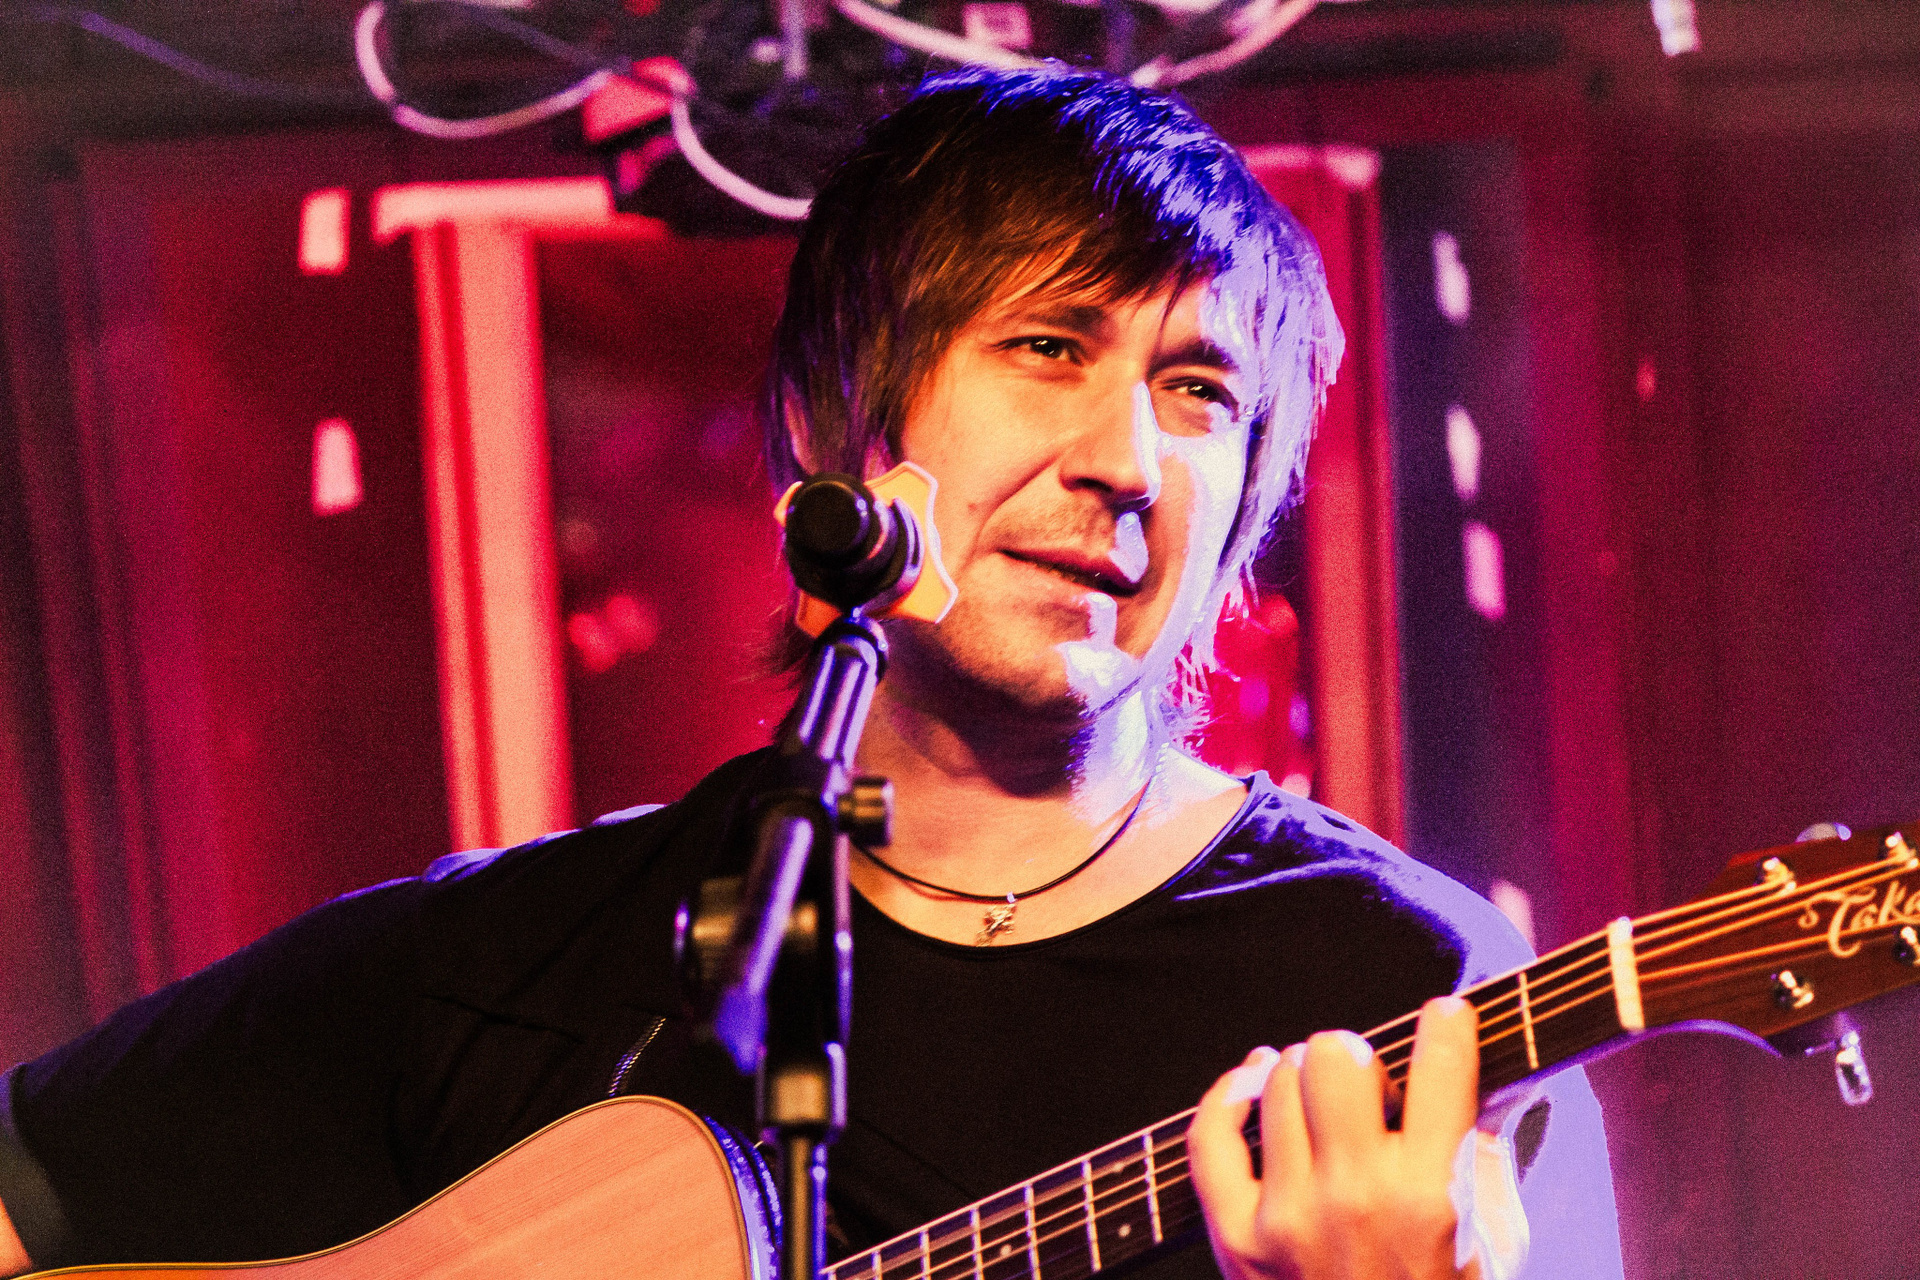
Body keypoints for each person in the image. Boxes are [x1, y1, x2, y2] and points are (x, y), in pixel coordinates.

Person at [0, 65, 1621, 1280]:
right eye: (1049, 345)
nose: (1130, 460)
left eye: (1201, 391)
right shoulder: (514, 961)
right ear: (832, 432)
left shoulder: (1404, 990)